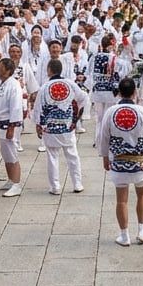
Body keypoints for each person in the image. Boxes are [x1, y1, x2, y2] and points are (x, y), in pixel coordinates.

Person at [97, 78, 143, 246]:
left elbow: (103, 136)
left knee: (121, 200)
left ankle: (124, 235)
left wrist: (104, 156)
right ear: (134, 92)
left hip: (118, 162)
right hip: (139, 162)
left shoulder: (111, 112)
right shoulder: (142, 111)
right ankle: (141, 230)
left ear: (119, 92)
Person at [34, 58, 87, 195]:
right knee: (72, 155)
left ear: (49, 70)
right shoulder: (70, 84)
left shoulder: (44, 87)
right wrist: (76, 117)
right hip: (67, 125)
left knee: (52, 156)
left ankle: (55, 187)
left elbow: (38, 108)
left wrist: (39, 125)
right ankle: (77, 184)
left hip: (50, 127)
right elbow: (83, 97)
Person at [0, 57, 26, 197]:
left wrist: (12, 126)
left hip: (9, 123)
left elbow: (16, 107)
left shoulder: (13, 85)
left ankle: (17, 184)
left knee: (11, 154)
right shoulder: (1, 83)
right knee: (5, 154)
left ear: (7, 70)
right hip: (1, 122)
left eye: (0, 66)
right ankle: (11, 180)